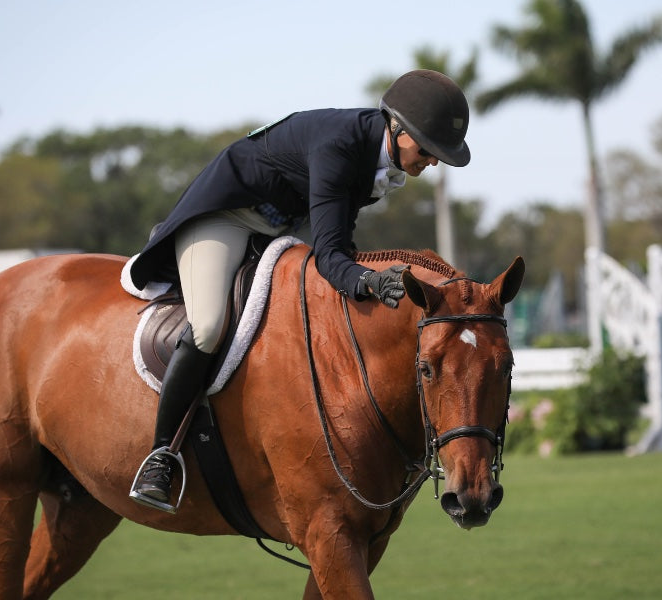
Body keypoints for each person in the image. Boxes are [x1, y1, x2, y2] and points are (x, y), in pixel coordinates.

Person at [128, 69, 471, 509]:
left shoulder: (375, 156)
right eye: (429, 149)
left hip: (279, 227)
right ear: (398, 130)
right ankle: (162, 456)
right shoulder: (340, 148)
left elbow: (339, 244)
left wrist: (360, 277)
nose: (433, 161)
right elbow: (332, 256)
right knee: (209, 326)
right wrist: (365, 280)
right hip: (228, 217)